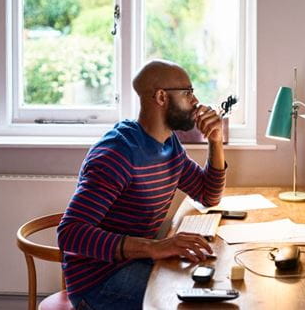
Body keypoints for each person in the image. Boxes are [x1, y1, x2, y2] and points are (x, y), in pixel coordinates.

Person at [57, 60, 227, 309]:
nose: (196, 101)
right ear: (161, 97)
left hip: (137, 263)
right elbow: (70, 233)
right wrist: (155, 247)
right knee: (196, 302)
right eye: (188, 92)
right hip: (99, 282)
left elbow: (208, 195)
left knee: (210, 285)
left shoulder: (170, 146)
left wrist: (216, 140)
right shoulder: (117, 154)